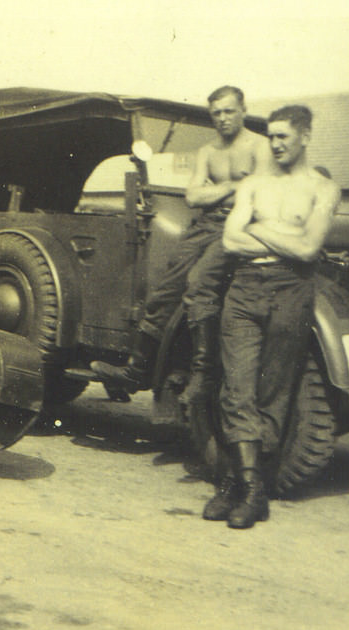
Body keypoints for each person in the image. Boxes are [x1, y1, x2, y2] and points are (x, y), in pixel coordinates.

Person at [89, 86, 274, 407]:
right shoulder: (208, 152)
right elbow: (192, 197)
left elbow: (260, 192)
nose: (223, 119)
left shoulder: (261, 147)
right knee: (163, 290)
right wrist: (235, 185)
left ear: (243, 110)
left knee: (199, 283)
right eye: (216, 113)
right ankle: (136, 369)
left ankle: (202, 374)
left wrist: (218, 189)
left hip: (240, 226)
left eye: (229, 111)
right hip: (204, 226)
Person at [204, 105, 340, 529]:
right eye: (272, 137)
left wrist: (258, 227)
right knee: (237, 386)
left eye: (284, 136)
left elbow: (308, 250)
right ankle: (251, 490)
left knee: (274, 391)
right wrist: (281, 234)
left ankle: (238, 484)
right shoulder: (254, 185)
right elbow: (230, 239)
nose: (276, 144)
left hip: (292, 289)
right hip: (245, 287)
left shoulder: (323, 189)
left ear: (306, 136)